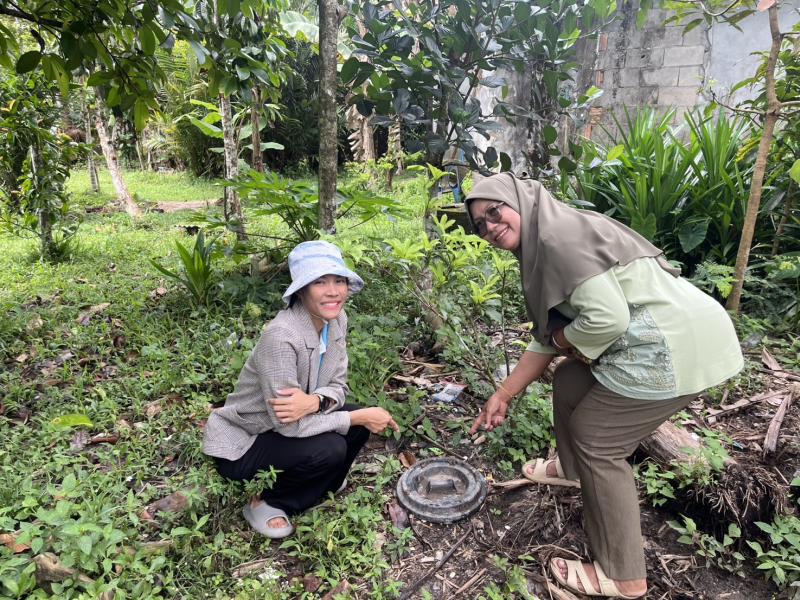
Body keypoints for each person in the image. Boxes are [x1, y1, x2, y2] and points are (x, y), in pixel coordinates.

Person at [465, 173, 743, 599]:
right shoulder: (548, 234)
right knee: (570, 377)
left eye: (494, 211)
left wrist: (564, 339)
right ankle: (573, 471)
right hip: (670, 332)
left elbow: (605, 321)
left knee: (597, 439)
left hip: (676, 344)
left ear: (519, 200)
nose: (489, 227)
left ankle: (623, 575)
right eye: (479, 225)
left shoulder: (557, 241)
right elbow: (550, 340)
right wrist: (503, 394)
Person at [203, 240, 399, 539]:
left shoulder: (337, 320)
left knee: (356, 429)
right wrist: (353, 416)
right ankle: (269, 502)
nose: (333, 291)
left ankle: (323, 484)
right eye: (319, 282)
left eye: (339, 281)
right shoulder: (281, 337)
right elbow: (289, 425)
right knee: (332, 445)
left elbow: (338, 385)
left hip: (290, 424)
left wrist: (314, 402)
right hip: (248, 439)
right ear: (302, 290)